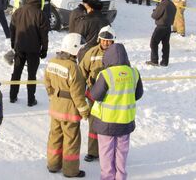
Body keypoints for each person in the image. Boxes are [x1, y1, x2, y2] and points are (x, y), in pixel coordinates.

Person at [90, 43, 143, 180]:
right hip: (125, 121)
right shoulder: (134, 72)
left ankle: (107, 177)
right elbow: (138, 94)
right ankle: (121, 177)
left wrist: (92, 85)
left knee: (106, 152)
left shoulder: (106, 74)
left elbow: (95, 95)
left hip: (106, 122)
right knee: (121, 153)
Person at [44, 33, 90, 178]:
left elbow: (47, 84)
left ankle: (53, 165)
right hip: (69, 111)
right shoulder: (73, 68)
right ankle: (70, 171)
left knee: (55, 137)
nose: (81, 51)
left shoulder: (51, 62)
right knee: (71, 140)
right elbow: (77, 94)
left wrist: (54, 97)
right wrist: (85, 112)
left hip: (55, 108)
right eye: (80, 48)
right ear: (74, 48)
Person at [79, 26, 116, 163]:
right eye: (103, 40)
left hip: (112, 97)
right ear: (99, 39)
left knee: (110, 124)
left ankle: (109, 151)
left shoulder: (117, 53)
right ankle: (93, 152)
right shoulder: (92, 52)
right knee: (94, 124)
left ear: (113, 41)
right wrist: (80, 92)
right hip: (93, 95)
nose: (106, 43)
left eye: (109, 41)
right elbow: (81, 72)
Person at [9, 0, 49, 106]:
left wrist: (13, 43)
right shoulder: (41, 14)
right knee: (32, 75)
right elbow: (44, 35)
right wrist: (44, 49)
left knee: (16, 72)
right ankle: (31, 100)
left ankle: (12, 96)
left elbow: (12, 28)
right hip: (34, 49)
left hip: (19, 47)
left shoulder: (18, 11)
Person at [146, 0, 176, 67]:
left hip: (160, 27)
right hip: (168, 27)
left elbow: (155, 15)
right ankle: (165, 62)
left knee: (153, 43)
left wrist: (155, 11)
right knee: (165, 45)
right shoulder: (172, 4)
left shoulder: (163, 4)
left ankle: (154, 60)